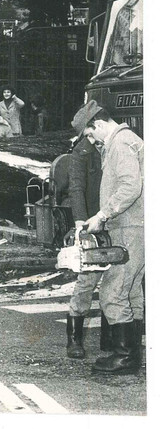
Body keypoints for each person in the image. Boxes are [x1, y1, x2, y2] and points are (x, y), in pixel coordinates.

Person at [72, 100, 144, 375]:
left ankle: (124, 358)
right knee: (131, 291)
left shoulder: (120, 143)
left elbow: (129, 186)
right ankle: (132, 355)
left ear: (99, 125)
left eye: (90, 134)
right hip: (137, 225)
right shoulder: (129, 140)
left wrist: (102, 215)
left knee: (113, 291)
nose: (91, 140)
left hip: (129, 227)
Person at [63, 131, 105, 360]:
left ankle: (110, 337)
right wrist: (81, 221)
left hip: (111, 217)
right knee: (87, 279)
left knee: (114, 279)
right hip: (91, 220)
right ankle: (74, 339)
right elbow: (76, 187)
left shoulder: (109, 145)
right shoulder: (81, 152)